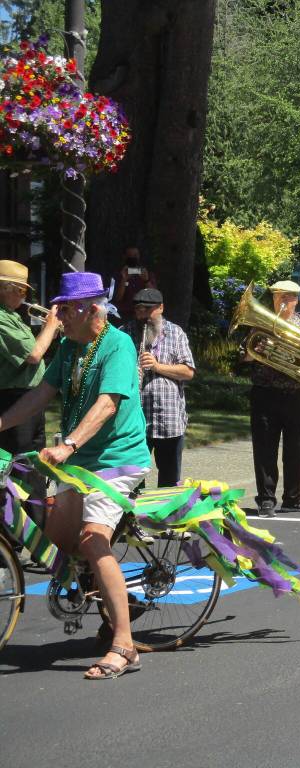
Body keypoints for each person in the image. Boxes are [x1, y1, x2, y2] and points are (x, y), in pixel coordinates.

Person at [0, 271, 151, 679]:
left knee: (91, 539)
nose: (58, 316)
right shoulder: (69, 347)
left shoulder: (117, 345)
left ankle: (124, 644)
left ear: (90, 307)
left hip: (118, 459)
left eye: (64, 308)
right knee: (58, 542)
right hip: (81, 462)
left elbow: (107, 404)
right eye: (59, 308)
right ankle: (116, 597)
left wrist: (69, 445)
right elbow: (39, 395)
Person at [243, 280, 300, 518]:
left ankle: (294, 498)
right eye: (279, 296)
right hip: (267, 394)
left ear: (296, 300)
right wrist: (255, 350)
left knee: (299, 450)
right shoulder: (262, 324)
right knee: (265, 449)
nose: (284, 301)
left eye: (289, 297)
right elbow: (244, 356)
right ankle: (266, 499)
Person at [0, 260, 61, 513]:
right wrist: (50, 326)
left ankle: (37, 528)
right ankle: (15, 533)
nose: (25, 297)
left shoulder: (14, 316)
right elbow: (34, 355)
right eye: (21, 291)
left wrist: (52, 331)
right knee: (20, 467)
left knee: (36, 465)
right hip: (14, 399)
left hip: (32, 398)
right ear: (4, 288)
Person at [126, 288, 195, 487]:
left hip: (168, 419)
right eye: (139, 310)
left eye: (148, 310)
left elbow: (188, 372)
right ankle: (132, 517)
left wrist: (157, 366)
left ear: (161, 308)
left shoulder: (175, 333)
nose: (143, 315)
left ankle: (165, 518)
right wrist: (131, 372)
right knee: (132, 478)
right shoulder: (125, 332)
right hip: (134, 420)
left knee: (169, 480)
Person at [112, 246, 154, 321]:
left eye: (135, 255)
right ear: (125, 257)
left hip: (143, 315)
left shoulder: (146, 273)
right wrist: (124, 279)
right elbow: (117, 298)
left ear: (139, 256)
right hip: (123, 315)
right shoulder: (118, 275)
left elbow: (154, 296)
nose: (133, 258)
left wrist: (146, 281)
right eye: (130, 256)